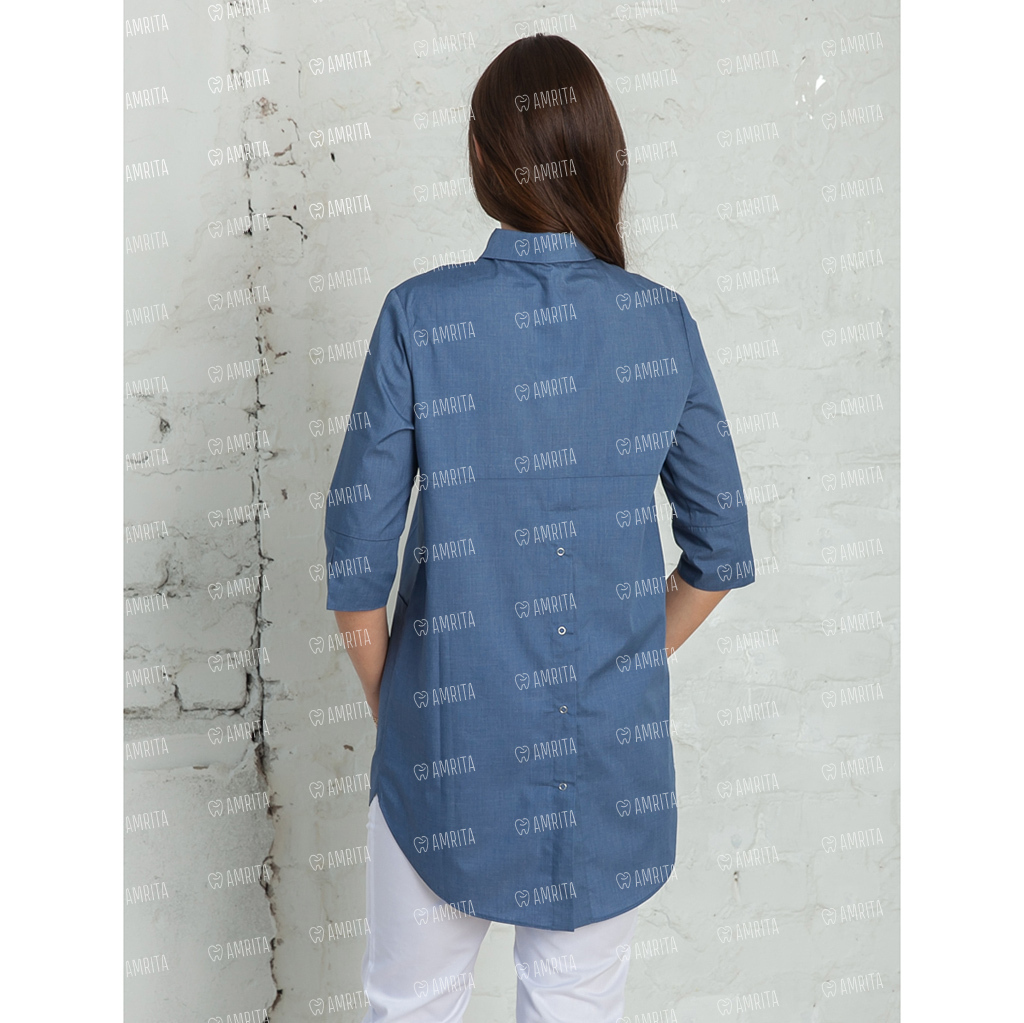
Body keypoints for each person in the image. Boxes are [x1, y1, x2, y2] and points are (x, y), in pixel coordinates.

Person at [323, 33, 756, 1023]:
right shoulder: (662, 321)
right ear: (605, 159)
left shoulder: (418, 317)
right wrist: (621, 659)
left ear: (483, 158)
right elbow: (719, 553)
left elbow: (354, 565)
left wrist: (404, 709)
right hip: (609, 774)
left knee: (411, 1006)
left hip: (442, 760)